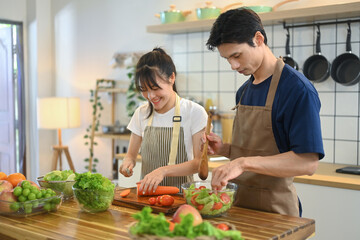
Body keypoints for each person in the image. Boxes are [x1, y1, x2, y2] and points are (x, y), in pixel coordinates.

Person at [205, 8, 324, 217]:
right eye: (227, 59)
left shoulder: (297, 89)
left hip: (276, 212)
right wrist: (225, 149)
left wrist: (242, 163)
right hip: (239, 208)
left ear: (258, 39)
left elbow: (307, 162)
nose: (233, 65)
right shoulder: (244, 92)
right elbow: (256, 152)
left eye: (237, 55)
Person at [119, 47, 208, 194]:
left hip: (181, 197)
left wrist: (163, 171)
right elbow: (130, 155)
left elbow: (198, 164)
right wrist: (127, 164)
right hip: (148, 197)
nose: (150, 96)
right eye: (144, 89)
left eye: (155, 88)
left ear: (172, 78)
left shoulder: (194, 112)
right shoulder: (141, 113)